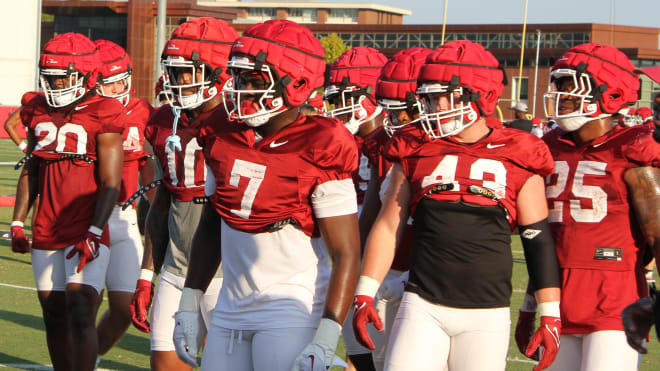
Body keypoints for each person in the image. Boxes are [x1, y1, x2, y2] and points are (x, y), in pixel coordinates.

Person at [352, 40, 562, 371]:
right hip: (422, 304)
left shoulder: (520, 152)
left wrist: (550, 313)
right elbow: (388, 224)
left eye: (439, 97)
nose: (432, 107)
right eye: (428, 98)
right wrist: (365, 290)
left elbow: (537, 239)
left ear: (478, 95)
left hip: (487, 313)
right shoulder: (414, 147)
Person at [173, 19, 360, 371]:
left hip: (289, 308)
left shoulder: (322, 143)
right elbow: (212, 224)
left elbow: (346, 252)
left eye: (254, 80)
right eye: (239, 78)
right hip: (230, 307)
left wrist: (327, 331)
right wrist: (190, 298)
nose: (240, 89)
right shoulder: (221, 133)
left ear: (297, 84)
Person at [515, 42, 660, 371]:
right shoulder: (546, 148)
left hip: (615, 300)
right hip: (555, 299)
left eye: (570, 86)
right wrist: (527, 308)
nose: (560, 95)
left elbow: (658, 234)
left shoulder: (633, 148)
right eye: (559, 85)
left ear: (609, 94)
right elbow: (542, 241)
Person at [11, 32, 126, 371]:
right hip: (47, 225)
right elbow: (32, 167)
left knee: (80, 309)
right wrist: (18, 221)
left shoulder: (104, 110)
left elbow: (110, 183)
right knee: (54, 315)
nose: (54, 83)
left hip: (86, 225)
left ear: (86, 75)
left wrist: (94, 229)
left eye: (62, 76)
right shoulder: (37, 109)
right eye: (49, 76)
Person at [128, 17, 237, 371]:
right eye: (173, 72)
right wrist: (147, 274)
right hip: (176, 267)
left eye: (187, 72)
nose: (177, 82)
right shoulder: (163, 121)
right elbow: (162, 204)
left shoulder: (240, 125)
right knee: (165, 364)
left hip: (230, 273)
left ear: (219, 71)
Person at [341, 46, 431, 371]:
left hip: (432, 278)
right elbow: (373, 213)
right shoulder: (383, 141)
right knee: (377, 361)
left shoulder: (445, 149)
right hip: (387, 266)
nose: (394, 121)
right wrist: (354, 269)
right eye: (389, 110)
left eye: (401, 111)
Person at [322, 45, 387, 371]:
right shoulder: (336, 139)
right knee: (360, 358)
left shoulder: (393, 142)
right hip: (343, 260)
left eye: (346, 97)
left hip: (385, 271)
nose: (338, 107)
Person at [92, 39, 155, 362]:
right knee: (83, 304)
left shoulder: (142, 110)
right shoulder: (85, 112)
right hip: (88, 216)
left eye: (120, 79)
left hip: (126, 216)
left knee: (123, 308)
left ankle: (92, 358)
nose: (116, 86)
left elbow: (149, 163)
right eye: (108, 80)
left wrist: (158, 211)